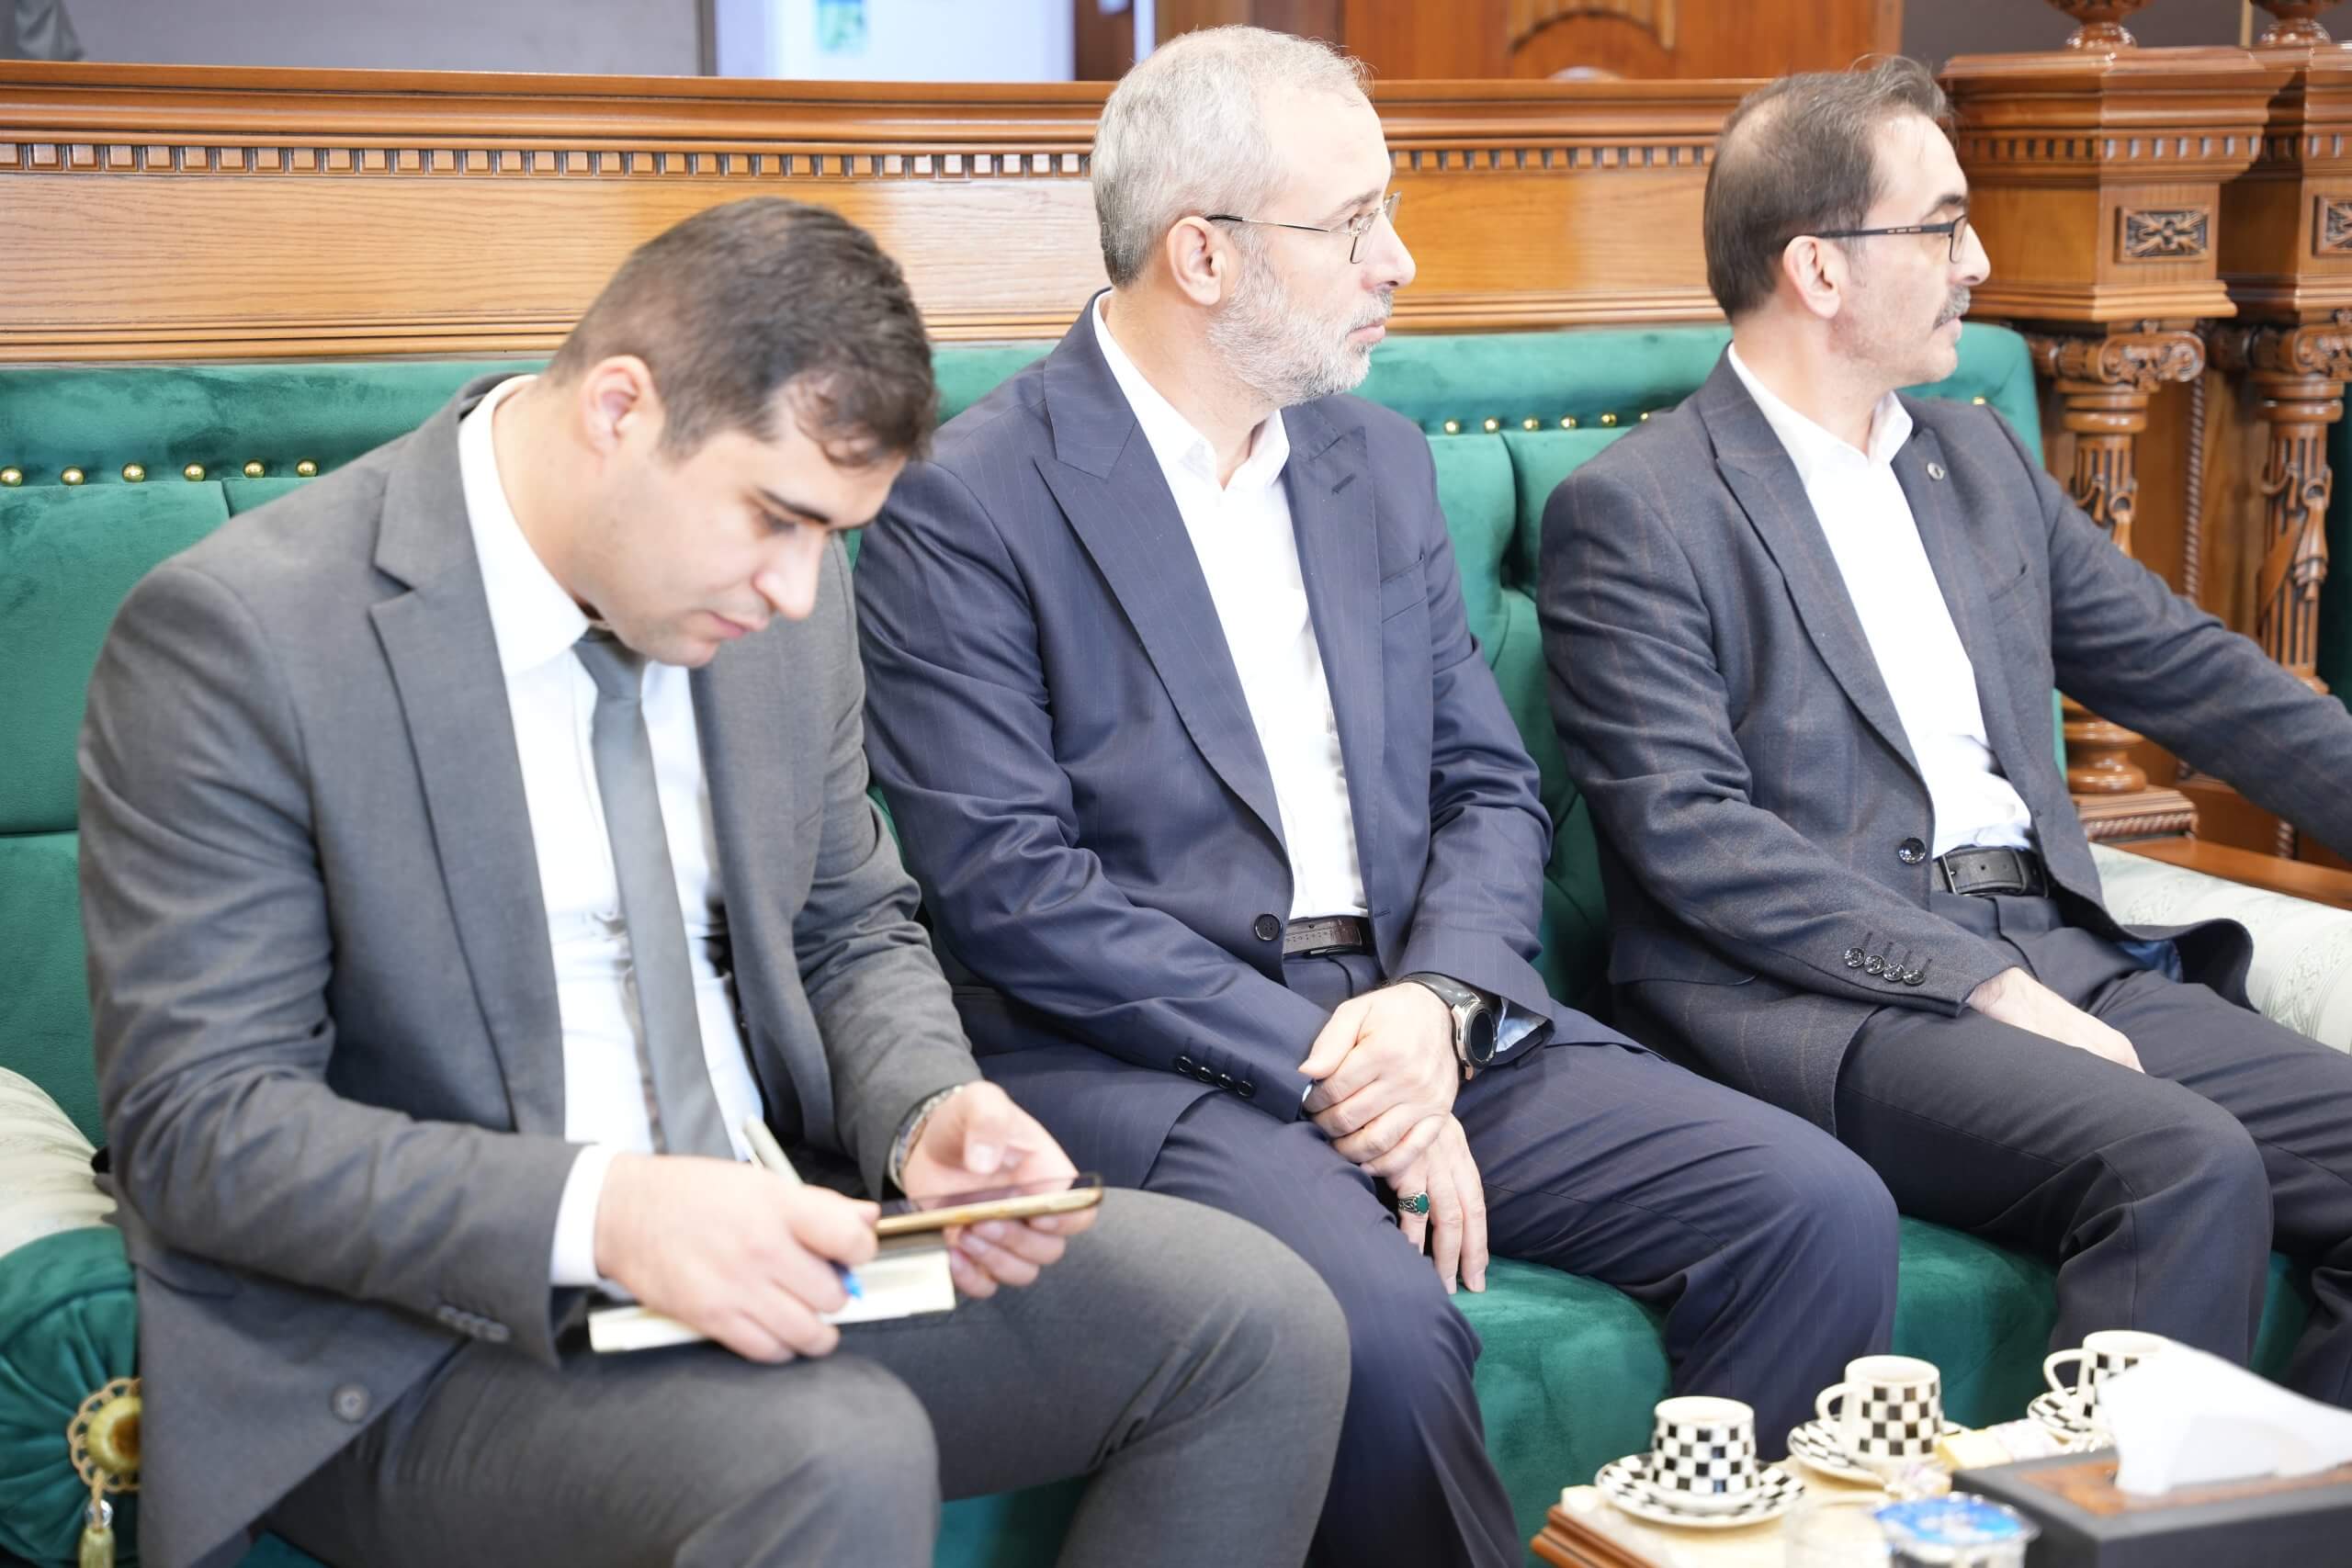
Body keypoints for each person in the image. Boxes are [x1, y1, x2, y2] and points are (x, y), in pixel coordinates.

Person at [79, 197, 1349, 1568]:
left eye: (829, 536)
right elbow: (203, 1129)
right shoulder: (245, 638)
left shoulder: (776, 604)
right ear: (620, 410)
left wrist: (926, 1109)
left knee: (1264, 1321)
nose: (798, 591)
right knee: (833, 1453)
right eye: (775, 520)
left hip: (775, 1231)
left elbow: (848, 924)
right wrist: (611, 1212)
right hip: (422, 1340)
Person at [853, 28, 1899, 1568]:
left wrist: (1436, 1007)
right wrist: (1338, 1072)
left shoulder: (1379, 461)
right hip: (1158, 1058)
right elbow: (1013, 891)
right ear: (1203, 254)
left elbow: (1488, 786)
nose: (1397, 260)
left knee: (1816, 1210)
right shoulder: (969, 496)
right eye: (1352, 223)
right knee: (1377, 1333)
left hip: (1423, 1015)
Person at [1542, 57, 2352, 1404]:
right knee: (2182, 1161)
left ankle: (2272, 1506)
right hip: (1823, 1001)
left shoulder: (1972, 459)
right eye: (1944, 226)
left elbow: (2192, 673)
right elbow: (1691, 835)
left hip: (2055, 950)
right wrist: (1975, 982)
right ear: (1820, 268)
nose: (1978, 262)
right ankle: (2096, 1518)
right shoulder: (1640, 507)